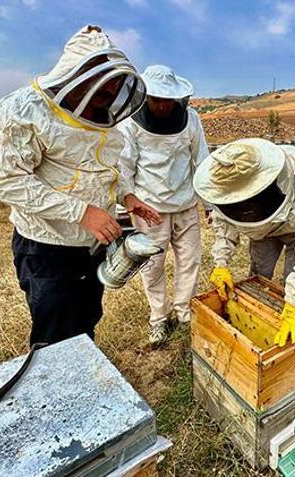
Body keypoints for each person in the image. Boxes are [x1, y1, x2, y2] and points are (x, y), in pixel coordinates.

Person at [0, 25, 161, 346]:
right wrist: (82, 212)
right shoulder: (24, 109)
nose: (106, 99)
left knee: (85, 322)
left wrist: (128, 196)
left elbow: (105, 166)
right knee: (55, 336)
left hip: (91, 246)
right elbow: (7, 181)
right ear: (76, 76)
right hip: (47, 248)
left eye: (112, 92)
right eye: (102, 90)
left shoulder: (102, 116)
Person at [193, 138, 295, 347]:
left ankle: (294, 326)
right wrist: (221, 264)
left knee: (294, 279)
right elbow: (224, 223)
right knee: (258, 275)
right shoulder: (225, 187)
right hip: (261, 233)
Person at [118, 65, 209, 345]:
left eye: (166, 100)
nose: (161, 105)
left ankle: (184, 312)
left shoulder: (191, 119)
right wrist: (129, 201)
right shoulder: (130, 124)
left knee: (190, 261)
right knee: (152, 267)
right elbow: (124, 168)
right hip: (150, 210)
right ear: (145, 97)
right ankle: (159, 318)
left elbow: (202, 160)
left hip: (186, 204)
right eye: (156, 99)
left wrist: (210, 203)